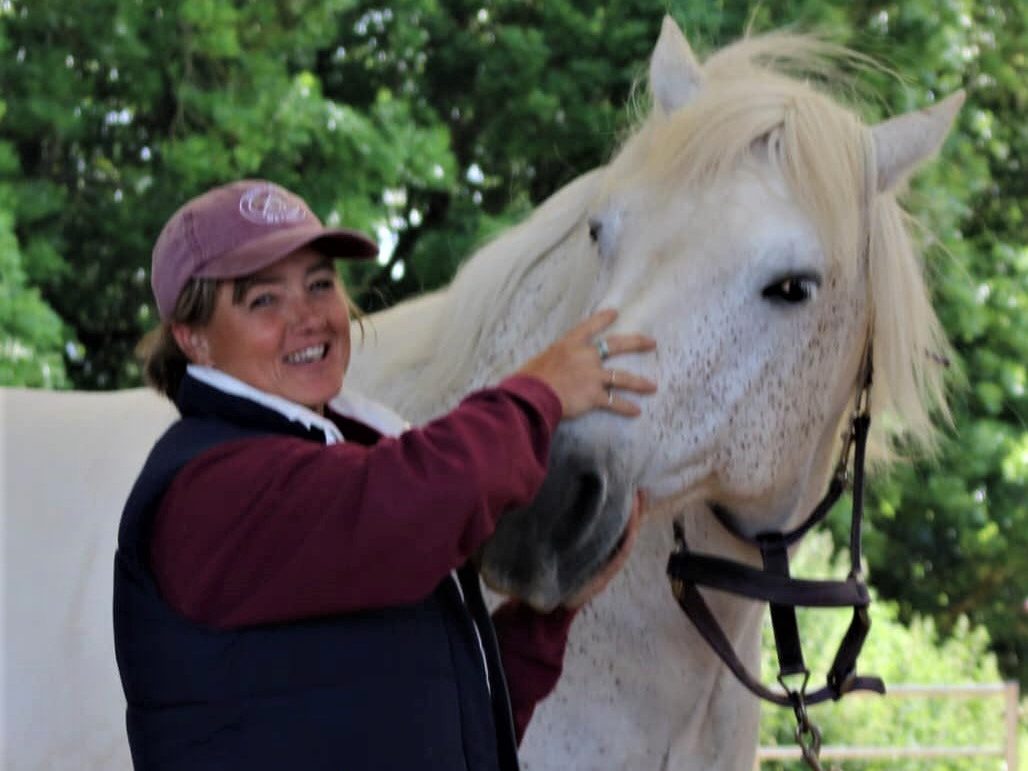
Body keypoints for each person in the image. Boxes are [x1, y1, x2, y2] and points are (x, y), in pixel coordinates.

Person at [113, 179, 657, 771]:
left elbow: (449, 717)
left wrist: (544, 622)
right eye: (263, 300)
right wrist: (538, 395)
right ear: (194, 340)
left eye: (320, 284)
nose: (309, 318)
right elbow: (410, 504)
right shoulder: (208, 487)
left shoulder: (341, 461)